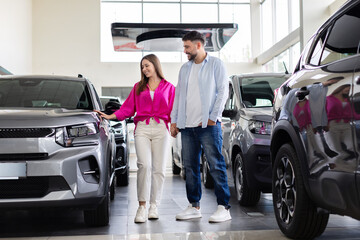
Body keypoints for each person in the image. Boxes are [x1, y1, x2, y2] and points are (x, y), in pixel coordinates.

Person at [95, 54, 175, 223]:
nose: (144, 69)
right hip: (143, 129)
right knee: (144, 165)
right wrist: (110, 116)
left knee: (159, 169)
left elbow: (174, 110)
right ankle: (142, 206)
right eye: (142, 67)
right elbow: (127, 109)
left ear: (155, 65)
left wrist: (175, 125)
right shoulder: (138, 87)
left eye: (147, 65)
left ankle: (154, 205)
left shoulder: (169, 87)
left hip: (161, 128)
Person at [170, 31, 231, 223]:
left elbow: (223, 90)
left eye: (187, 47)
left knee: (215, 165)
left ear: (198, 45)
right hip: (187, 127)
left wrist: (213, 117)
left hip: (208, 125)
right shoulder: (184, 69)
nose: (185, 51)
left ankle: (223, 207)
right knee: (190, 167)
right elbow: (178, 96)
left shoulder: (215, 64)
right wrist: (174, 120)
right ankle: (194, 206)